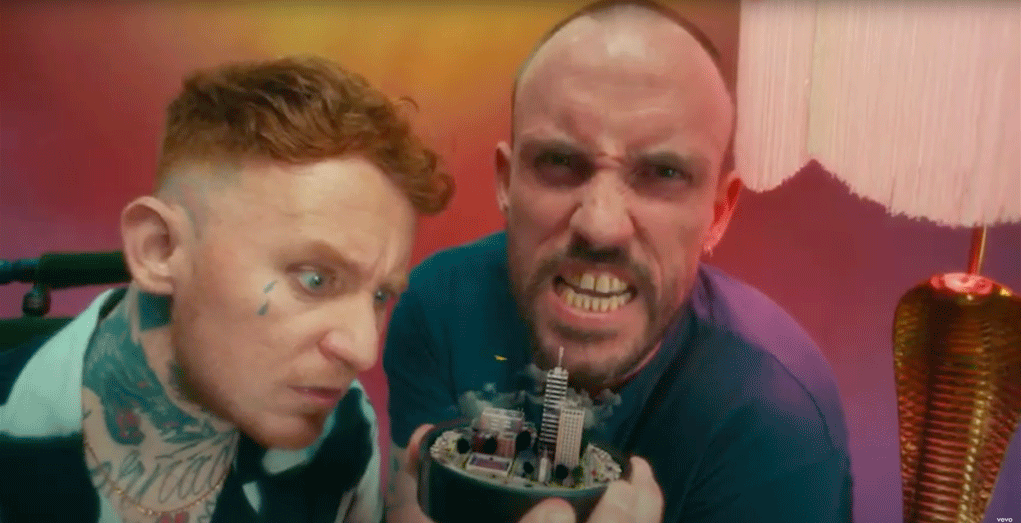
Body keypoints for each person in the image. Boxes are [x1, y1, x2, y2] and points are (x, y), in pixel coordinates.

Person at [383, 1, 853, 522]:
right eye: (559, 162)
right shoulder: (437, 309)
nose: (601, 225)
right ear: (505, 183)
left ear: (717, 214)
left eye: (663, 173)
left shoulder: (776, 417)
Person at [0, 56, 455, 523]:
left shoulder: (345, 427)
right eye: (314, 279)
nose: (362, 350)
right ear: (158, 248)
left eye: (380, 296)